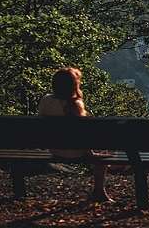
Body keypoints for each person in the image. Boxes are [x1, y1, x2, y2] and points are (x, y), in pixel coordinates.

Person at [38, 67, 113, 202]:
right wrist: (91, 154)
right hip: (76, 152)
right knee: (102, 154)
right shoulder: (76, 105)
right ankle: (99, 191)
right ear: (74, 85)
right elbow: (83, 136)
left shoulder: (46, 100)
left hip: (54, 149)